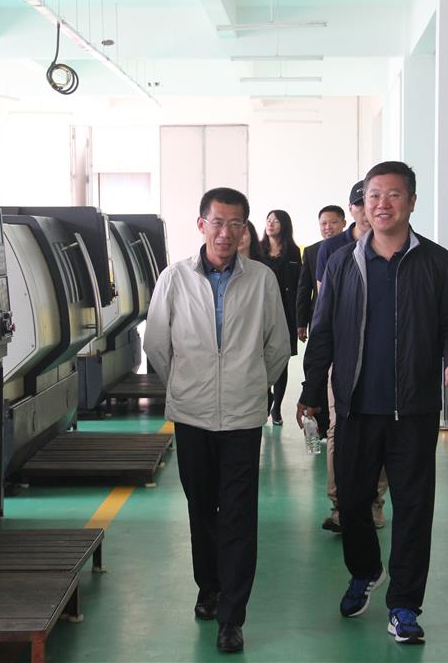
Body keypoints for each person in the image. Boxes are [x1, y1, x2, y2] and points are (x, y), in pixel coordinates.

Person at [297, 161, 448, 645]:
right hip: (356, 407)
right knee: (352, 503)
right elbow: (323, 333)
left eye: (393, 195)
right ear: (363, 204)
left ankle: (405, 605)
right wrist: (312, 392)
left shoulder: (436, 261)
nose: (382, 204)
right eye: (374, 195)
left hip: (413, 410)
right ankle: (365, 569)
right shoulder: (341, 263)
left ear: (411, 202)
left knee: (413, 508)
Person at [144, 187, 290, 655]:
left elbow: (278, 346)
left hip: (243, 417)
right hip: (192, 415)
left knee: (239, 516)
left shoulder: (262, 280)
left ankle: (232, 616)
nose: (226, 233)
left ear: (246, 229)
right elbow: (157, 344)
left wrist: (250, 383)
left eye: (235, 224)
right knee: (202, 506)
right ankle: (208, 587)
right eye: (217, 222)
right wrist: (185, 385)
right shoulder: (174, 278)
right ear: (201, 224)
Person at [313, 183, 387, 534]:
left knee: (382, 432)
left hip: (382, 361)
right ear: (354, 209)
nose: (366, 209)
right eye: (361, 202)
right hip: (342, 358)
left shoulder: (394, 246)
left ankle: (374, 504)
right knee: (338, 429)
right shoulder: (332, 249)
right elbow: (324, 306)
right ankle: (340, 505)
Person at [259, 209, 301, 426]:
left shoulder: (293, 252)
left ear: (284, 225)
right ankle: (266, 399)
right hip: (261, 313)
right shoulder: (258, 250)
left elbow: (299, 286)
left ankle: (277, 408)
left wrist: (300, 321)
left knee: (281, 359)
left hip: (286, 313)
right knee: (260, 358)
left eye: (275, 221)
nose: (270, 224)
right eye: (268, 220)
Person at [296, 205, 346, 343]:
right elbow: (304, 289)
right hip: (319, 316)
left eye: (333, 222)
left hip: (347, 314)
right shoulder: (311, 251)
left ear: (344, 223)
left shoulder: (355, 248)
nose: (328, 227)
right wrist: (301, 322)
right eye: (323, 223)